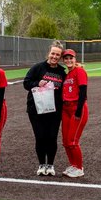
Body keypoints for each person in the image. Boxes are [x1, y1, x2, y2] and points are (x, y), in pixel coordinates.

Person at [24, 41, 67, 176]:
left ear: (60, 57)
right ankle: (42, 164)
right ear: (49, 53)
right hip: (36, 110)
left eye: (57, 55)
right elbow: (26, 83)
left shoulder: (61, 72)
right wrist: (37, 83)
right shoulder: (38, 68)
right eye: (53, 53)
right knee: (40, 137)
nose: (54, 56)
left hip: (54, 111)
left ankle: (51, 165)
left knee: (52, 137)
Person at [60, 49, 89, 178]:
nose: (68, 60)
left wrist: (78, 111)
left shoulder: (80, 71)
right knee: (65, 141)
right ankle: (73, 165)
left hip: (77, 108)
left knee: (72, 141)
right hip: (66, 109)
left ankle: (79, 167)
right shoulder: (67, 75)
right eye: (66, 58)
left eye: (71, 58)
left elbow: (83, 92)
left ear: (75, 59)